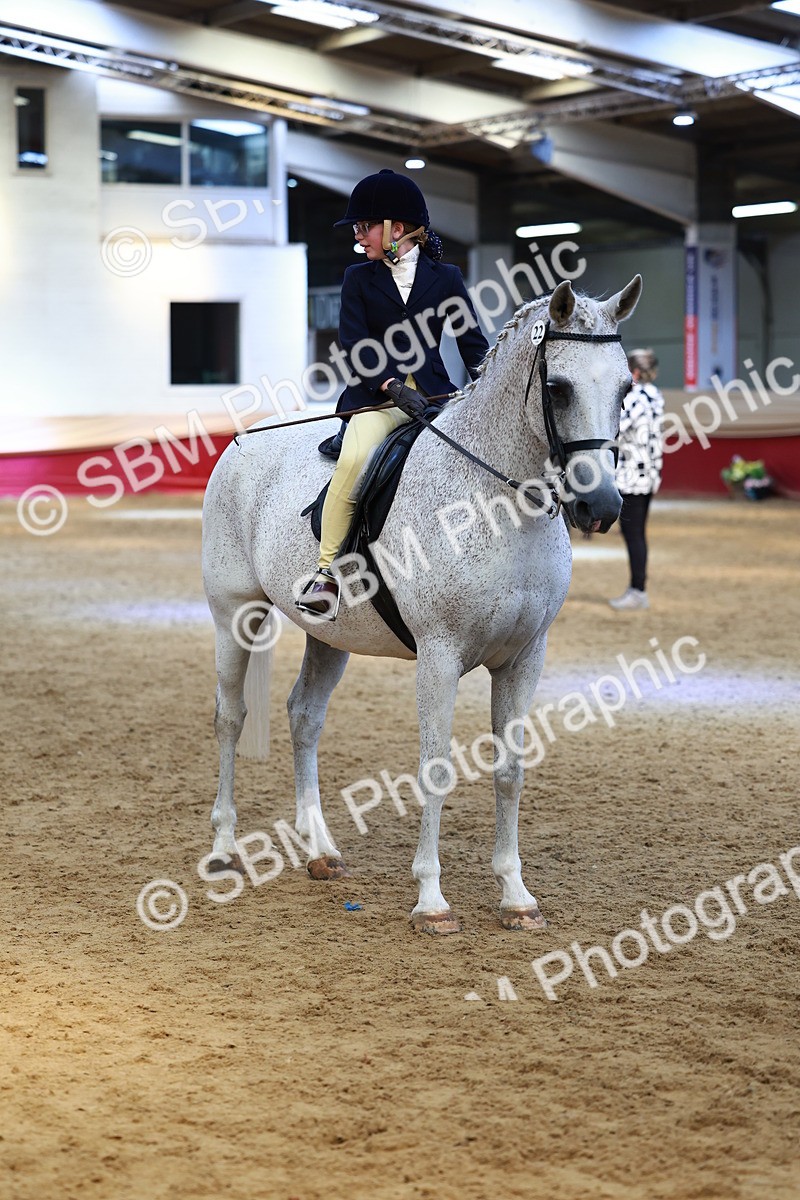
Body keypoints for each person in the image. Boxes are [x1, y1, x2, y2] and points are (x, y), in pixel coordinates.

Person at [297, 168, 490, 619]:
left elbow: (473, 345)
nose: (359, 237)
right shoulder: (358, 278)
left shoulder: (446, 279)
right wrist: (390, 385)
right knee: (354, 460)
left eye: (364, 227)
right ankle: (326, 574)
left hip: (437, 400)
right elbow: (353, 344)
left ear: (395, 230)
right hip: (378, 399)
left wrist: (490, 383)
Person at [608, 348, 665, 611]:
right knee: (637, 533)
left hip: (632, 477)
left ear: (636, 372)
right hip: (649, 475)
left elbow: (615, 428)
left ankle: (638, 591)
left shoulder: (635, 397)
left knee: (634, 536)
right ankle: (637, 588)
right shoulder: (656, 395)